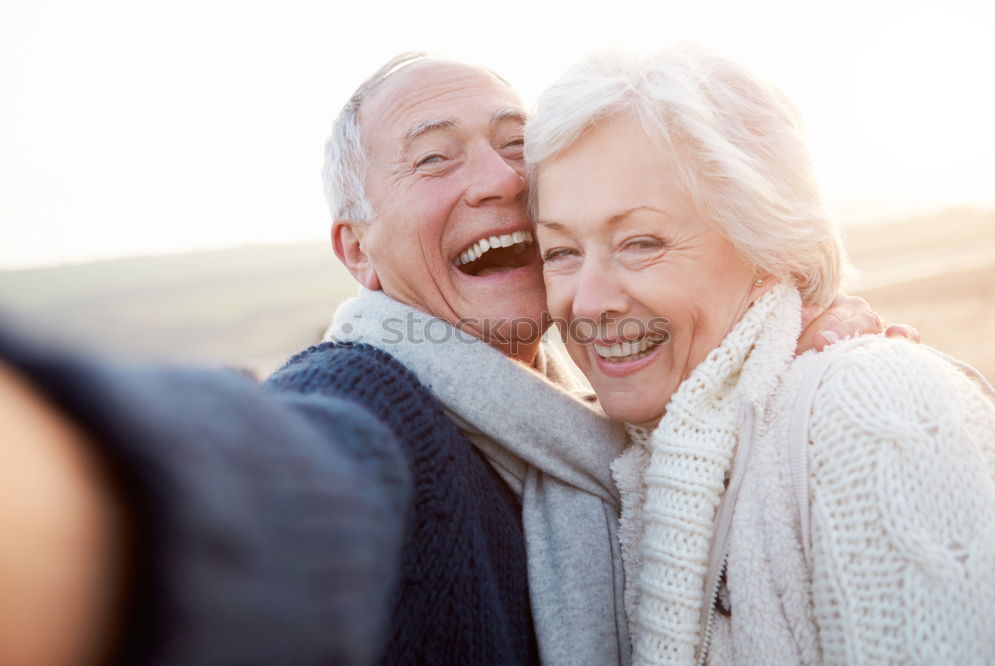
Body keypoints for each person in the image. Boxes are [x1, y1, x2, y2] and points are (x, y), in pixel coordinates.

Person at [1, 52, 913, 666]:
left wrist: (778, 341)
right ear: (358, 252)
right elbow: (288, 482)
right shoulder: (370, 401)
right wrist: (81, 492)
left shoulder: (589, 428)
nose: (498, 179)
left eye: (519, 147)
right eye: (434, 159)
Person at [526, 46, 995, 664]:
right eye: (560, 252)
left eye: (641, 243)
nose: (587, 303)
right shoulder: (618, 462)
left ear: (768, 245)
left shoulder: (870, 409)